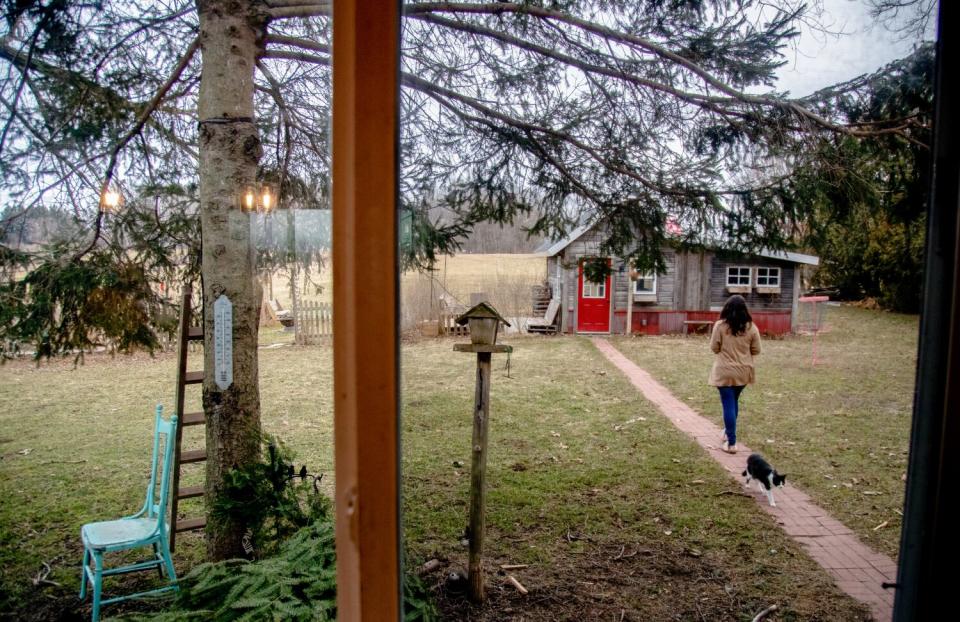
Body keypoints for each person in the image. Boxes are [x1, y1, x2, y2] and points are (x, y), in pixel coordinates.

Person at [708, 295, 761, 454]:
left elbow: (714, 348)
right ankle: (727, 432)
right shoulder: (751, 327)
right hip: (743, 372)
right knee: (733, 402)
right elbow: (756, 350)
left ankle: (731, 443)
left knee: (728, 404)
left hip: (724, 371)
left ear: (727, 309)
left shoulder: (720, 326)